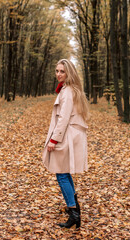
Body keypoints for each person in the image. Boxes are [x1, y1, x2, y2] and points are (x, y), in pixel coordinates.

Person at [42, 59, 90, 229]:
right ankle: (74, 211)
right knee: (64, 173)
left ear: (69, 72)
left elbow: (63, 118)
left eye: (62, 71)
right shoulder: (69, 89)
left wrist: (54, 139)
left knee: (61, 174)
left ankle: (74, 212)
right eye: (57, 71)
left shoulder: (68, 91)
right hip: (68, 136)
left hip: (65, 137)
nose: (58, 74)